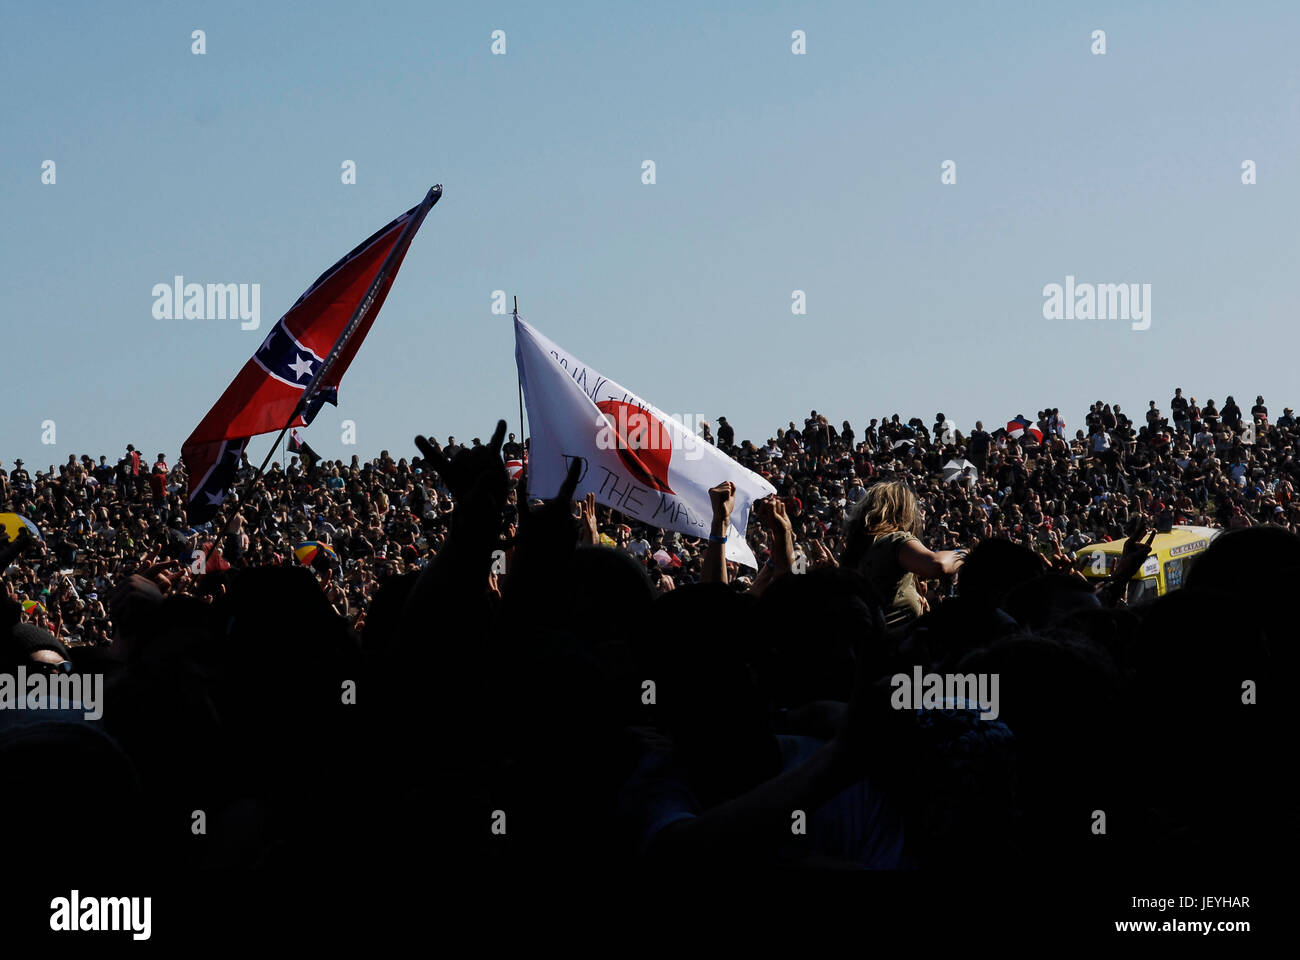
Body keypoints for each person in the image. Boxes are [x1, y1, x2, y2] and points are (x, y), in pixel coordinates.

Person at [840, 480, 965, 628]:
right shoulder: (894, 539)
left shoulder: (862, 547)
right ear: (903, 511)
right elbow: (937, 565)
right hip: (893, 645)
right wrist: (965, 553)